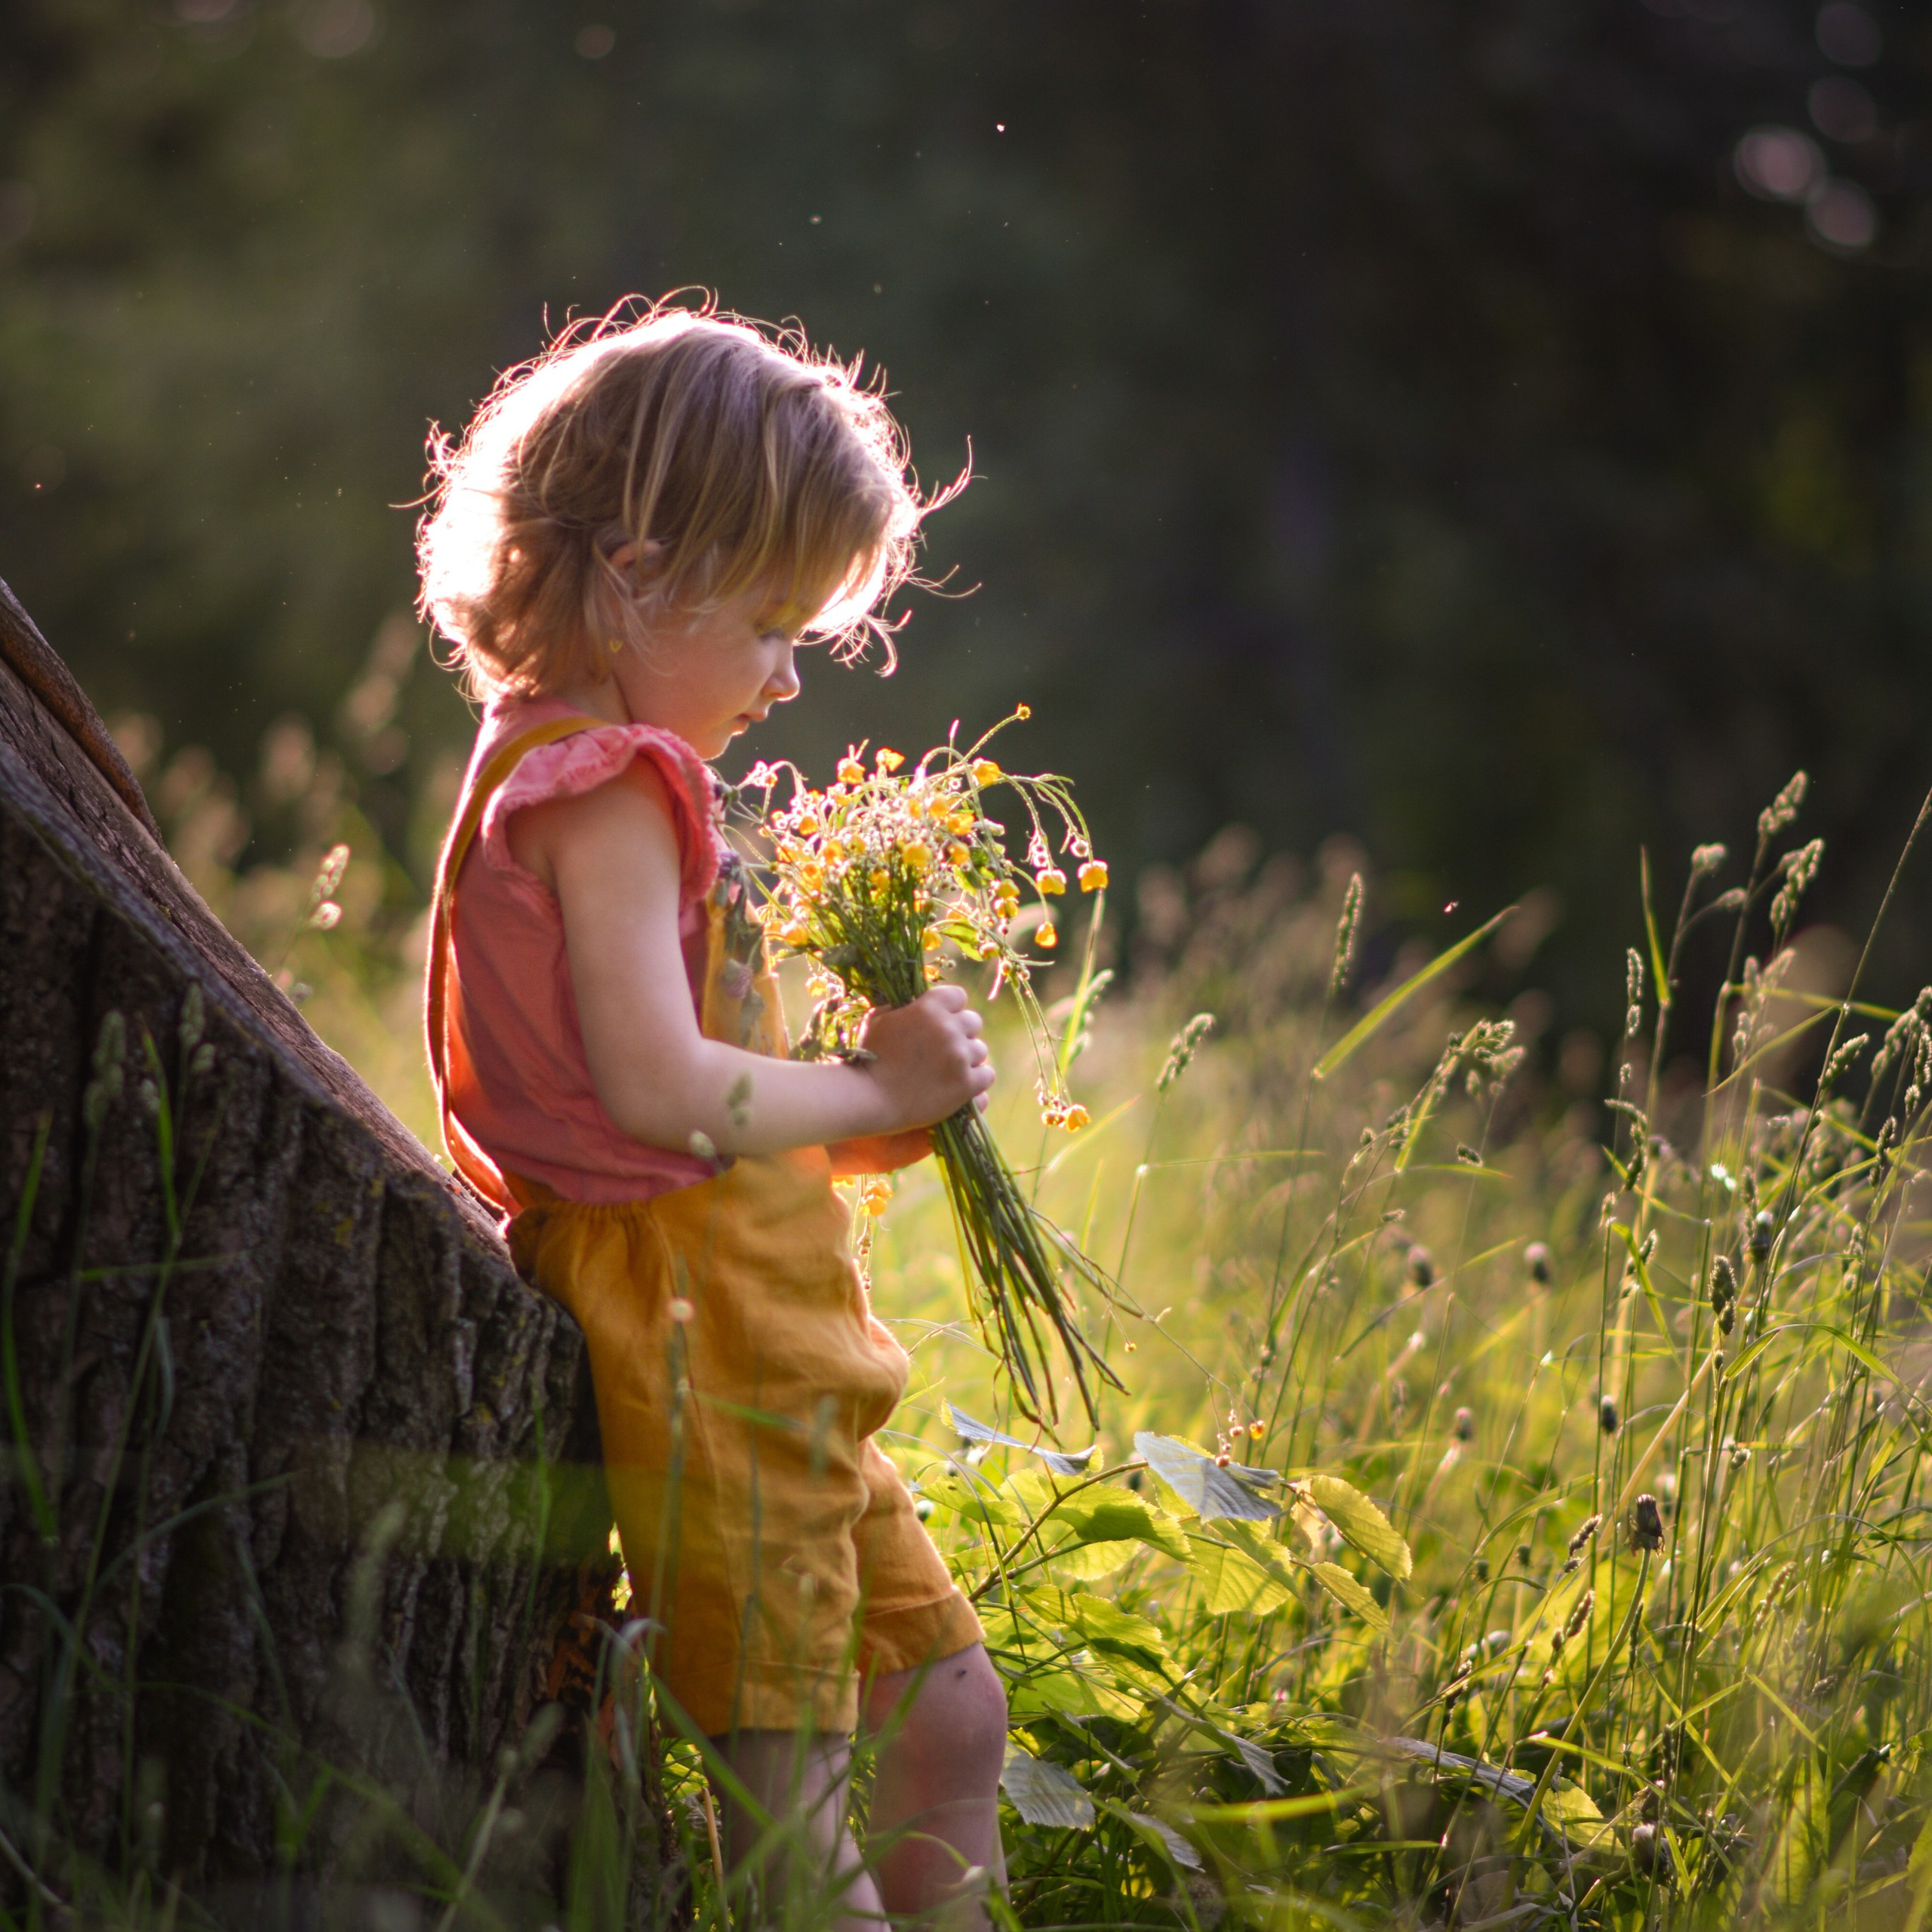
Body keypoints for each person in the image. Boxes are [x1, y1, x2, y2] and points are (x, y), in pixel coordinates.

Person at [415, 298, 1007, 1927]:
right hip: (700, 1326)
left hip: (763, 1329)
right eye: (766, 627)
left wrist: (855, 1115)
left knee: (944, 1710)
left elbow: (678, 1091)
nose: (778, 679)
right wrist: (881, 1083)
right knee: (792, 1786)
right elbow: (656, 1092)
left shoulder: (579, 763)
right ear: (632, 573)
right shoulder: (599, 785)